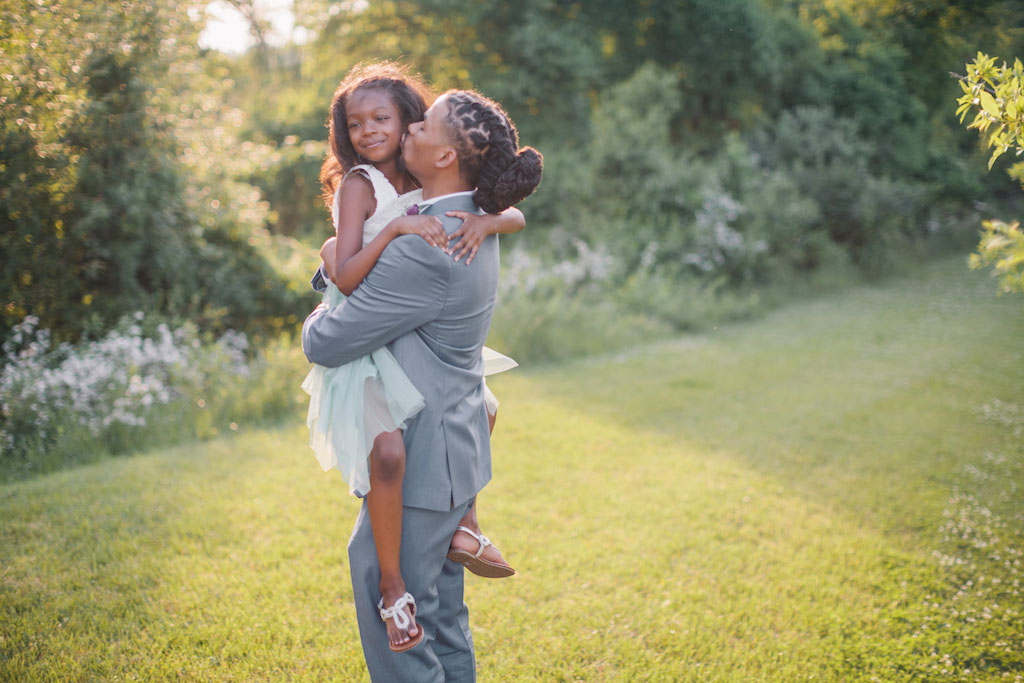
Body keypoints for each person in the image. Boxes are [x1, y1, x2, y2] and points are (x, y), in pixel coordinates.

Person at [303, 87, 542, 681]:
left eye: (422, 126)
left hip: (422, 468)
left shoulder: (430, 244)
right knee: (441, 619)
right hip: (455, 455)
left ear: (444, 157)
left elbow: (328, 343)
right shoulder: (467, 224)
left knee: (403, 632)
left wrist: (315, 309)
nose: (409, 129)